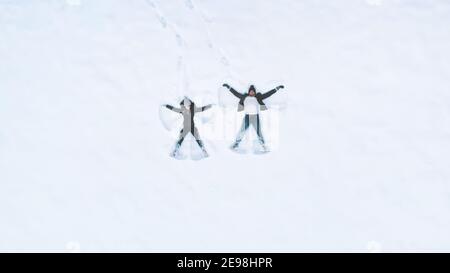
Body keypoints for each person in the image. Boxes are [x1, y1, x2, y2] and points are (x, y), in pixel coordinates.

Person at [222, 83, 284, 151]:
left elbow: (268, 94)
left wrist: (277, 88)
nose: (251, 92)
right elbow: (235, 93)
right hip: (247, 117)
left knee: (258, 132)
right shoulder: (244, 97)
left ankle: (263, 145)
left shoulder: (257, 97)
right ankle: (236, 144)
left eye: (253, 91)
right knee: (242, 130)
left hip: (255, 117)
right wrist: (228, 87)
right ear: (249, 92)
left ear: (254, 92)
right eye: (250, 91)